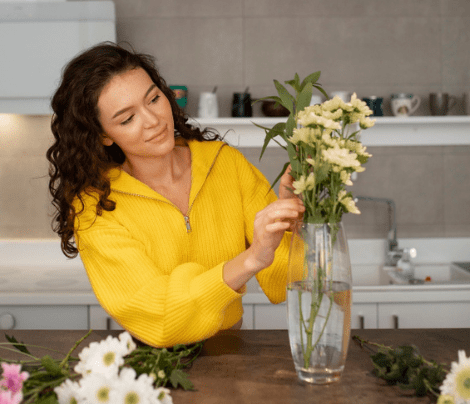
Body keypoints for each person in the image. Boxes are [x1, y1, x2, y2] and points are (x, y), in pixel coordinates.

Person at [47, 42, 304, 348]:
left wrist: (294, 219)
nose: (154, 121)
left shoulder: (226, 164)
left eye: (153, 99)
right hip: (152, 369)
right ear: (103, 135)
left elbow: (286, 278)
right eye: (127, 119)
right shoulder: (95, 207)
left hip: (231, 354)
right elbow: (160, 316)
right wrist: (249, 261)